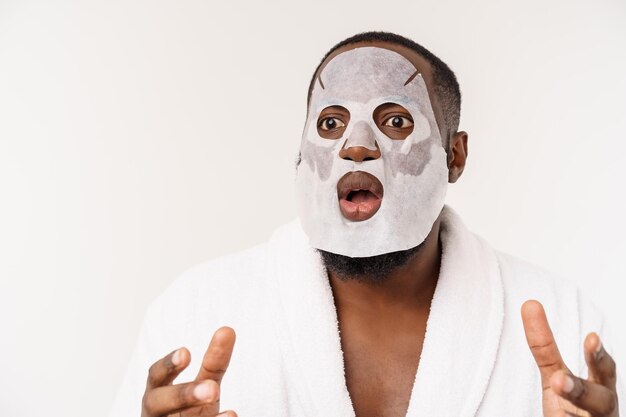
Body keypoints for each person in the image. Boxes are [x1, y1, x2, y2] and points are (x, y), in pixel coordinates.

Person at [111, 32, 622, 417]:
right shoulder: (194, 313)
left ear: (456, 156)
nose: (356, 145)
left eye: (396, 120)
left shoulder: (568, 325)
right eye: (329, 123)